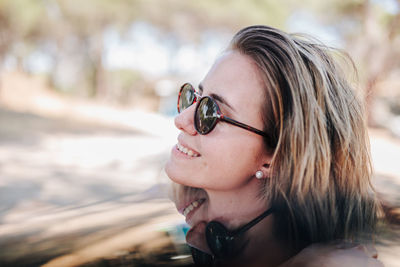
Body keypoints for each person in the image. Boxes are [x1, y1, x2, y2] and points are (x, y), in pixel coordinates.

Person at [165, 25, 385, 266]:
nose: (181, 120)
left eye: (210, 112)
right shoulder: (178, 222)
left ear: (276, 157)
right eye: (193, 97)